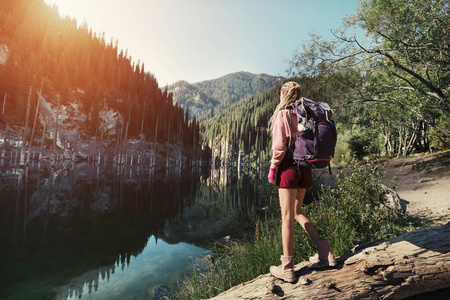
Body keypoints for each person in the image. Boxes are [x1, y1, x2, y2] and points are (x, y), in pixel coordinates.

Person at [267, 81, 336, 283]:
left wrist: (272, 168)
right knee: (296, 213)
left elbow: (279, 146)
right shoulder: (306, 113)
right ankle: (325, 251)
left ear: (283, 94)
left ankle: (287, 267)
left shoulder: (284, 113)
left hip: (288, 168)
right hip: (305, 168)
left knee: (286, 217)